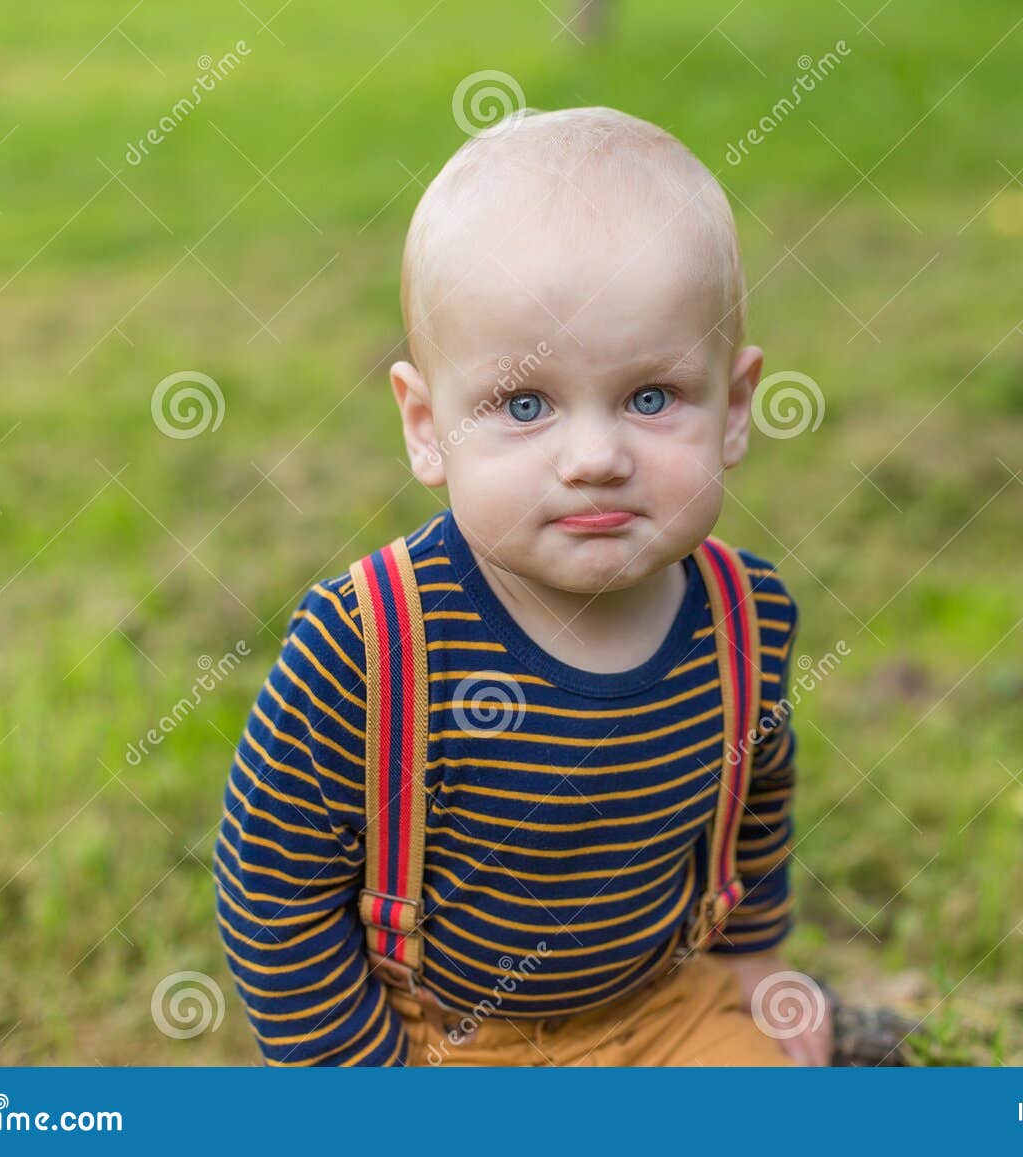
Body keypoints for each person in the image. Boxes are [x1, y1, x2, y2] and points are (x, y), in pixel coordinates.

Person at [214, 106, 824, 1066]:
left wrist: (756, 960)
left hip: (661, 1010)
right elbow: (271, 880)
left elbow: (758, 795)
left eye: (651, 396)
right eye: (525, 404)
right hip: (440, 1035)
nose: (593, 458)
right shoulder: (369, 642)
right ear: (426, 424)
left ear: (737, 407)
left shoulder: (747, 619)